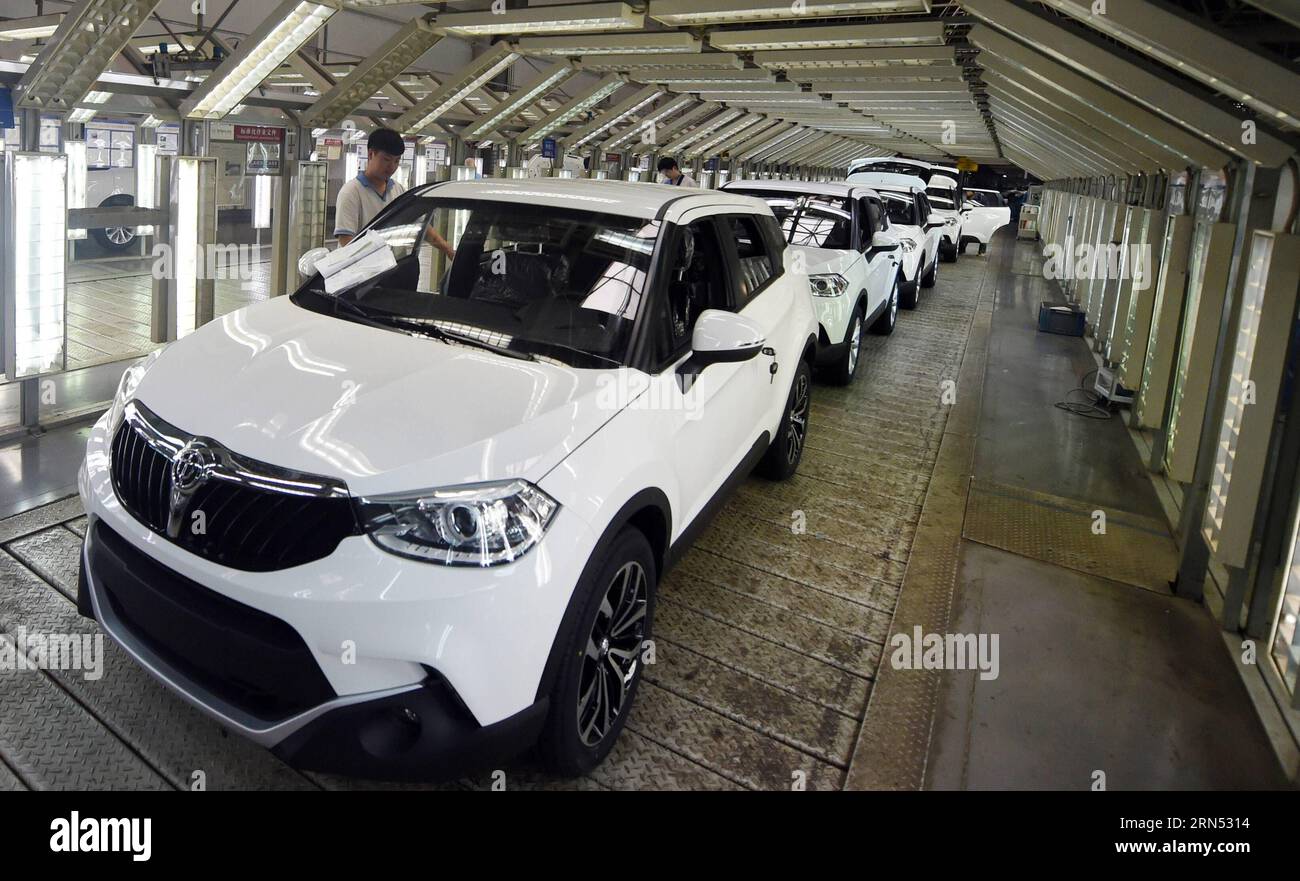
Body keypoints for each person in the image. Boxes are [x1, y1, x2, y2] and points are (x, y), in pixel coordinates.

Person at [335, 127, 454, 259]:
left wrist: (448, 249)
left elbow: (421, 227)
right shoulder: (351, 192)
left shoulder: (398, 190)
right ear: (370, 154)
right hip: (361, 274)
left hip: (392, 271)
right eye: (386, 159)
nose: (392, 166)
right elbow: (346, 241)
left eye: (396, 161)